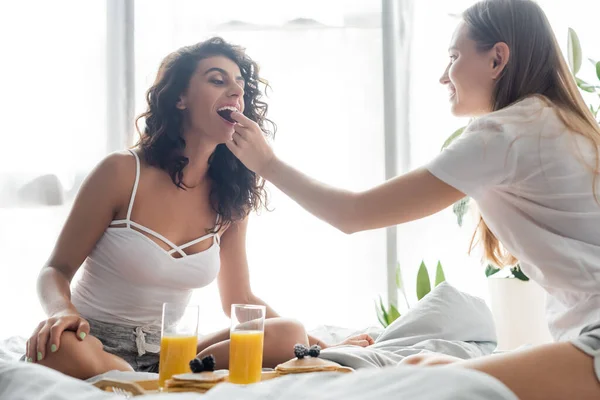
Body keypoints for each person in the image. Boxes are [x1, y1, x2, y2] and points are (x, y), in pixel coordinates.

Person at [224, 0, 600, 398]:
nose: (443, 76)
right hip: (584, 337)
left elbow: (353, 213)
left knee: (424, 380)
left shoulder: (508, 131)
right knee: (422, 364)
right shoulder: (559, 123)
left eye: (454, 56)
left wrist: (266, 162)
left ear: (497, 59)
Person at [25, 37, 373, 380]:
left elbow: (239, 298)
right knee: (56, 350)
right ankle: (146, 379)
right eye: (217, 80)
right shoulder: (121, 172)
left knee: (289, 332)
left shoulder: (231, 195)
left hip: (174, 350)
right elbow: (56, 268)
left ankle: (151, 379)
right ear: (180, 98)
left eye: (240, 85)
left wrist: (318, 347)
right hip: (92, 343)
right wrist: (61, 312)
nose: (235, 92)